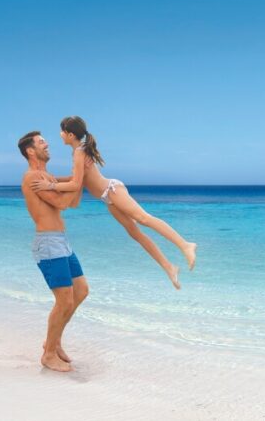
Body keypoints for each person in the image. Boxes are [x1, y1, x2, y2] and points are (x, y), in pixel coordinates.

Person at [32, 116, 195, 290]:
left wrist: (50, 185)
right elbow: (77, 179)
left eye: (62, 131)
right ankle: (169, 267)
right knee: (135, 234)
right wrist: (53, 178)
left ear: (70, 134)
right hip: (107, 198)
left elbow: (75, 184)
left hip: (112, 190)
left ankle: (185, 245)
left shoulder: (79, 152)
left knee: (143, 218)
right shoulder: (77, 152)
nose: (60, 134)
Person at [19, 130, 87, 372]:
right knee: (64, 300)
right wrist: (75, 182)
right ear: (30, 150)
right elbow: (61, 203)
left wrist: (79, 176)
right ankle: (48, 354)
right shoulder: (32, 178)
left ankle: (53, 341)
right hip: (48, 243)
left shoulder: (46, 176)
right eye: (41, 142)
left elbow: (75, 199)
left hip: (61, 241)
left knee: (81, 291)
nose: (47, 144)